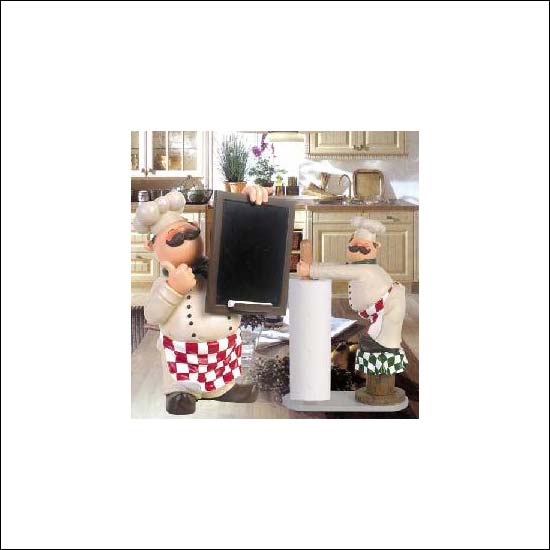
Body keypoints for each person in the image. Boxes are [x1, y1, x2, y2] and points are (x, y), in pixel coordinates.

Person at [133, 185, 269, 414]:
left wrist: (245, 206)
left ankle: (224, 388)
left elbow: (242, 245)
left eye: (187, 229)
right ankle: (181, 393)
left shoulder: (217, 266)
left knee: (222, 369)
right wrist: (174, 289)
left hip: (223, 347)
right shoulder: (164, 283)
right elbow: (152, 315)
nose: (185, 236)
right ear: (151, 246)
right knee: (183, 376)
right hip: (183, 352)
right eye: (174, 235)